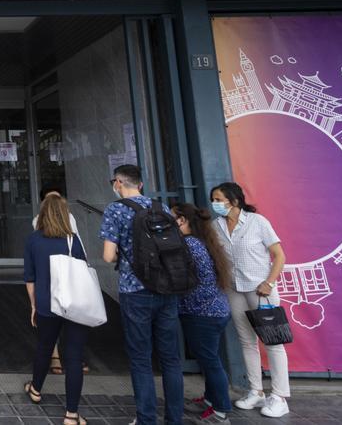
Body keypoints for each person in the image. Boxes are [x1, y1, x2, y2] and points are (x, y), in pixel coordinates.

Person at [100, 164, 183, 425]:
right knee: (171, 358)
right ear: (141, 184)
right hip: (167, 288)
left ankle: (146, 418)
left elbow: (108, 255)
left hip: (134, 290)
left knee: (140, 358)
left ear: (118, 183)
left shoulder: (116, 209)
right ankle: (174, 418)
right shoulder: (161, 208)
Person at [210, 181, 289, 418]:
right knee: (247, 342)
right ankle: (256, 391)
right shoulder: (217, 226)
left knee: (273, 343)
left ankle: (280, 396)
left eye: (219, 199)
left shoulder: (258, 222)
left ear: (234, 201)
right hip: (234, 289)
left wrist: (269, 282)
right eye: (213, 199)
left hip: (261, 291)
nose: (215, 204)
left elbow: (279, 256)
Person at [23, 192, 89, 425]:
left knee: (44, 348)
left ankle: (35, 390)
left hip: (45, 303)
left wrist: (33, 305)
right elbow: (83, 270)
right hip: (72, 304)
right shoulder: (74, 240)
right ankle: (71, 414)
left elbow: (29, 278)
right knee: (73, 357)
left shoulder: (33, 240)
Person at [170, 203, 234, 424]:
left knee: (210, 361)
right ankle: (210, 399)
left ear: (183, 221)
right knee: (210, 359)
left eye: (172, 218)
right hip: (215, 310)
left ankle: (221, 411)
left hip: (202, 313)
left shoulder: (188, 245)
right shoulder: (201, 242)